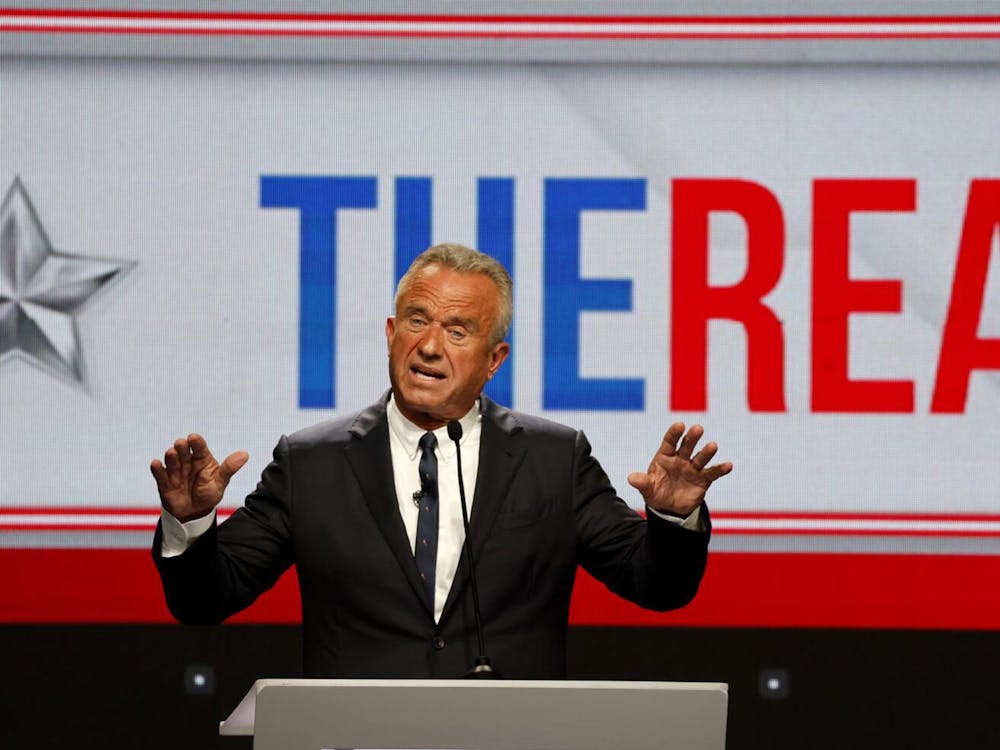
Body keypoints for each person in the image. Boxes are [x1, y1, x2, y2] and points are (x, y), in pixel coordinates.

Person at [151, 243, 732, 679]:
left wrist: (673, 520)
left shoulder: (555, 458)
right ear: (389, 332)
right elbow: (207, 600)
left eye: (458, 330)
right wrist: (194, 524)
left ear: (494, 358)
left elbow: (657, 587)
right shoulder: (311, 464)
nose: (429, 346)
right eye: (416, 320)